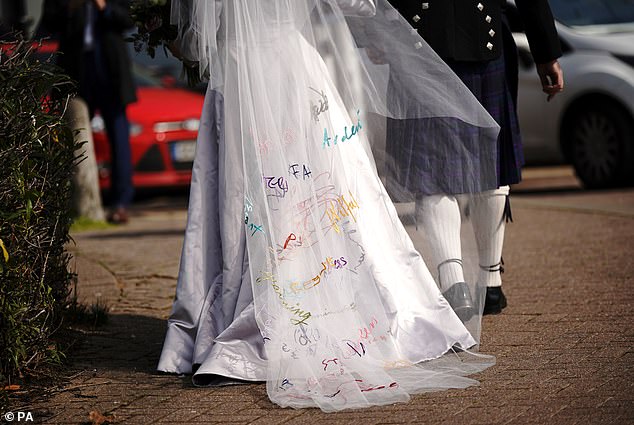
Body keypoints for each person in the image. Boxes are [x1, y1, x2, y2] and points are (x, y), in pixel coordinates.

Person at [158, 0, 501, 411]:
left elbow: (196, 44)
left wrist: (167, 30)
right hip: (293, 70)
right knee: (332, 188)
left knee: (243, 196)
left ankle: (240, 308)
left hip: (238, 77)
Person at [386, 0, 563, 317]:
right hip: (482, 38)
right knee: (489, 164)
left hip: (417, 41)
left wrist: (378, 35)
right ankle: (491, 283)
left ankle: (455, 286)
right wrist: (546, 52)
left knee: (432, 169)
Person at [41, 0, 137, 224]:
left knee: (119, 139)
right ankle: (72, 201)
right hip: (76, 72)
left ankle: (120, 203)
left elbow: (129, 19)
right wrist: (70, 8)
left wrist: (105, 7)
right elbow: (48, 22)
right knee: (72, 139)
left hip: (109, 71)